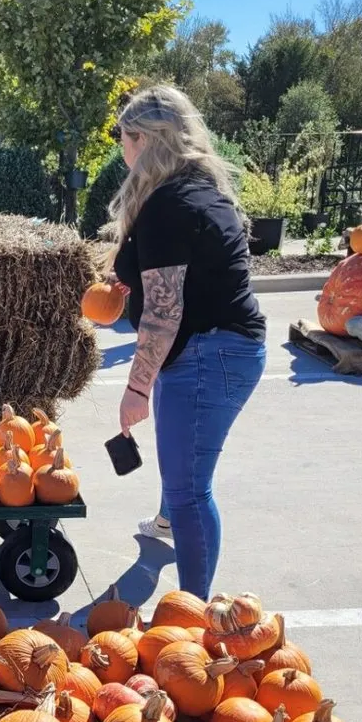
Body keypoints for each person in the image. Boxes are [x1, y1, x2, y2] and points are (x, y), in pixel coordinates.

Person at [110, 85, 267, 600]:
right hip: (219, 349)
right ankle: (165, 520)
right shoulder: (199, 189)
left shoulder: (169, 203)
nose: (121, 147)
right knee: (182, 461)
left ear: (144, 139)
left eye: (122, 136)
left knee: (190, 492)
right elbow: (185, 279)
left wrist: (136, 388)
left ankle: (194, 617)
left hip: (207, 353)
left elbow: (164, 313)